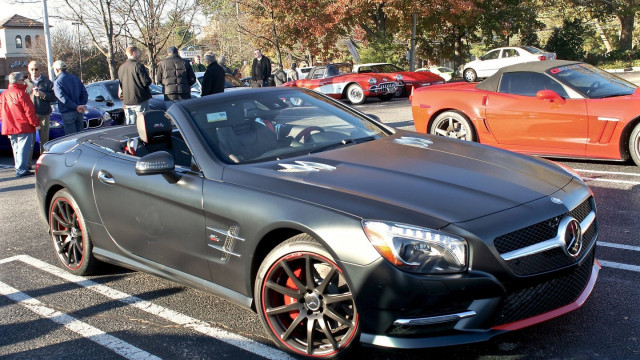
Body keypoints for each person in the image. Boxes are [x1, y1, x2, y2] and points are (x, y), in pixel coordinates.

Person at [0, 72, 39, 177]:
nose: (24, 81)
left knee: (16, 148)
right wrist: (35, 124)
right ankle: (22, 169)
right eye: (22, 79)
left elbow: (1, 112)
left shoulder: (4, 94)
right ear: (18, 81)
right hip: (22, 125)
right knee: (23, 148)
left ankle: (19, 167)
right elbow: (29, 112)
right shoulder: (22, 94)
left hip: (9, 125)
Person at [118, 46, 152, 125]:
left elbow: (121, 84)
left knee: (131, 124)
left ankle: (133, 137)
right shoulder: (138, 65)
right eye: (138, 52)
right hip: (139, 99)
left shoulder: (121, 67)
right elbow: (146, 82)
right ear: (134, 53)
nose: (139, 54)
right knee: (143, 123)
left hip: (127, 101)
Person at [24, 61, 56, 145]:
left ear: (40, 70)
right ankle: (29, 158)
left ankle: (43, 157)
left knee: (44, 140)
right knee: (30, 141)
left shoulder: (47, 82)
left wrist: (43, 94)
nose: (34, 71)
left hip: (44, 114)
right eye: (32, 69)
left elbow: (54, 97)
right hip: (30, 115)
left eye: (36, 69)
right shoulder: (25, 83)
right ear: (28, 70)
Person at [52, 60, 88, 135]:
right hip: (79, 112)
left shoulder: (58, 82)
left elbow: (62, 98)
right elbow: (84, 93)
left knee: (71, 139)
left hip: (68, 112)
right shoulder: (75, 78)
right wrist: (81, 105)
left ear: (57, 70)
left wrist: (76, 106)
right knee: (81, 136)